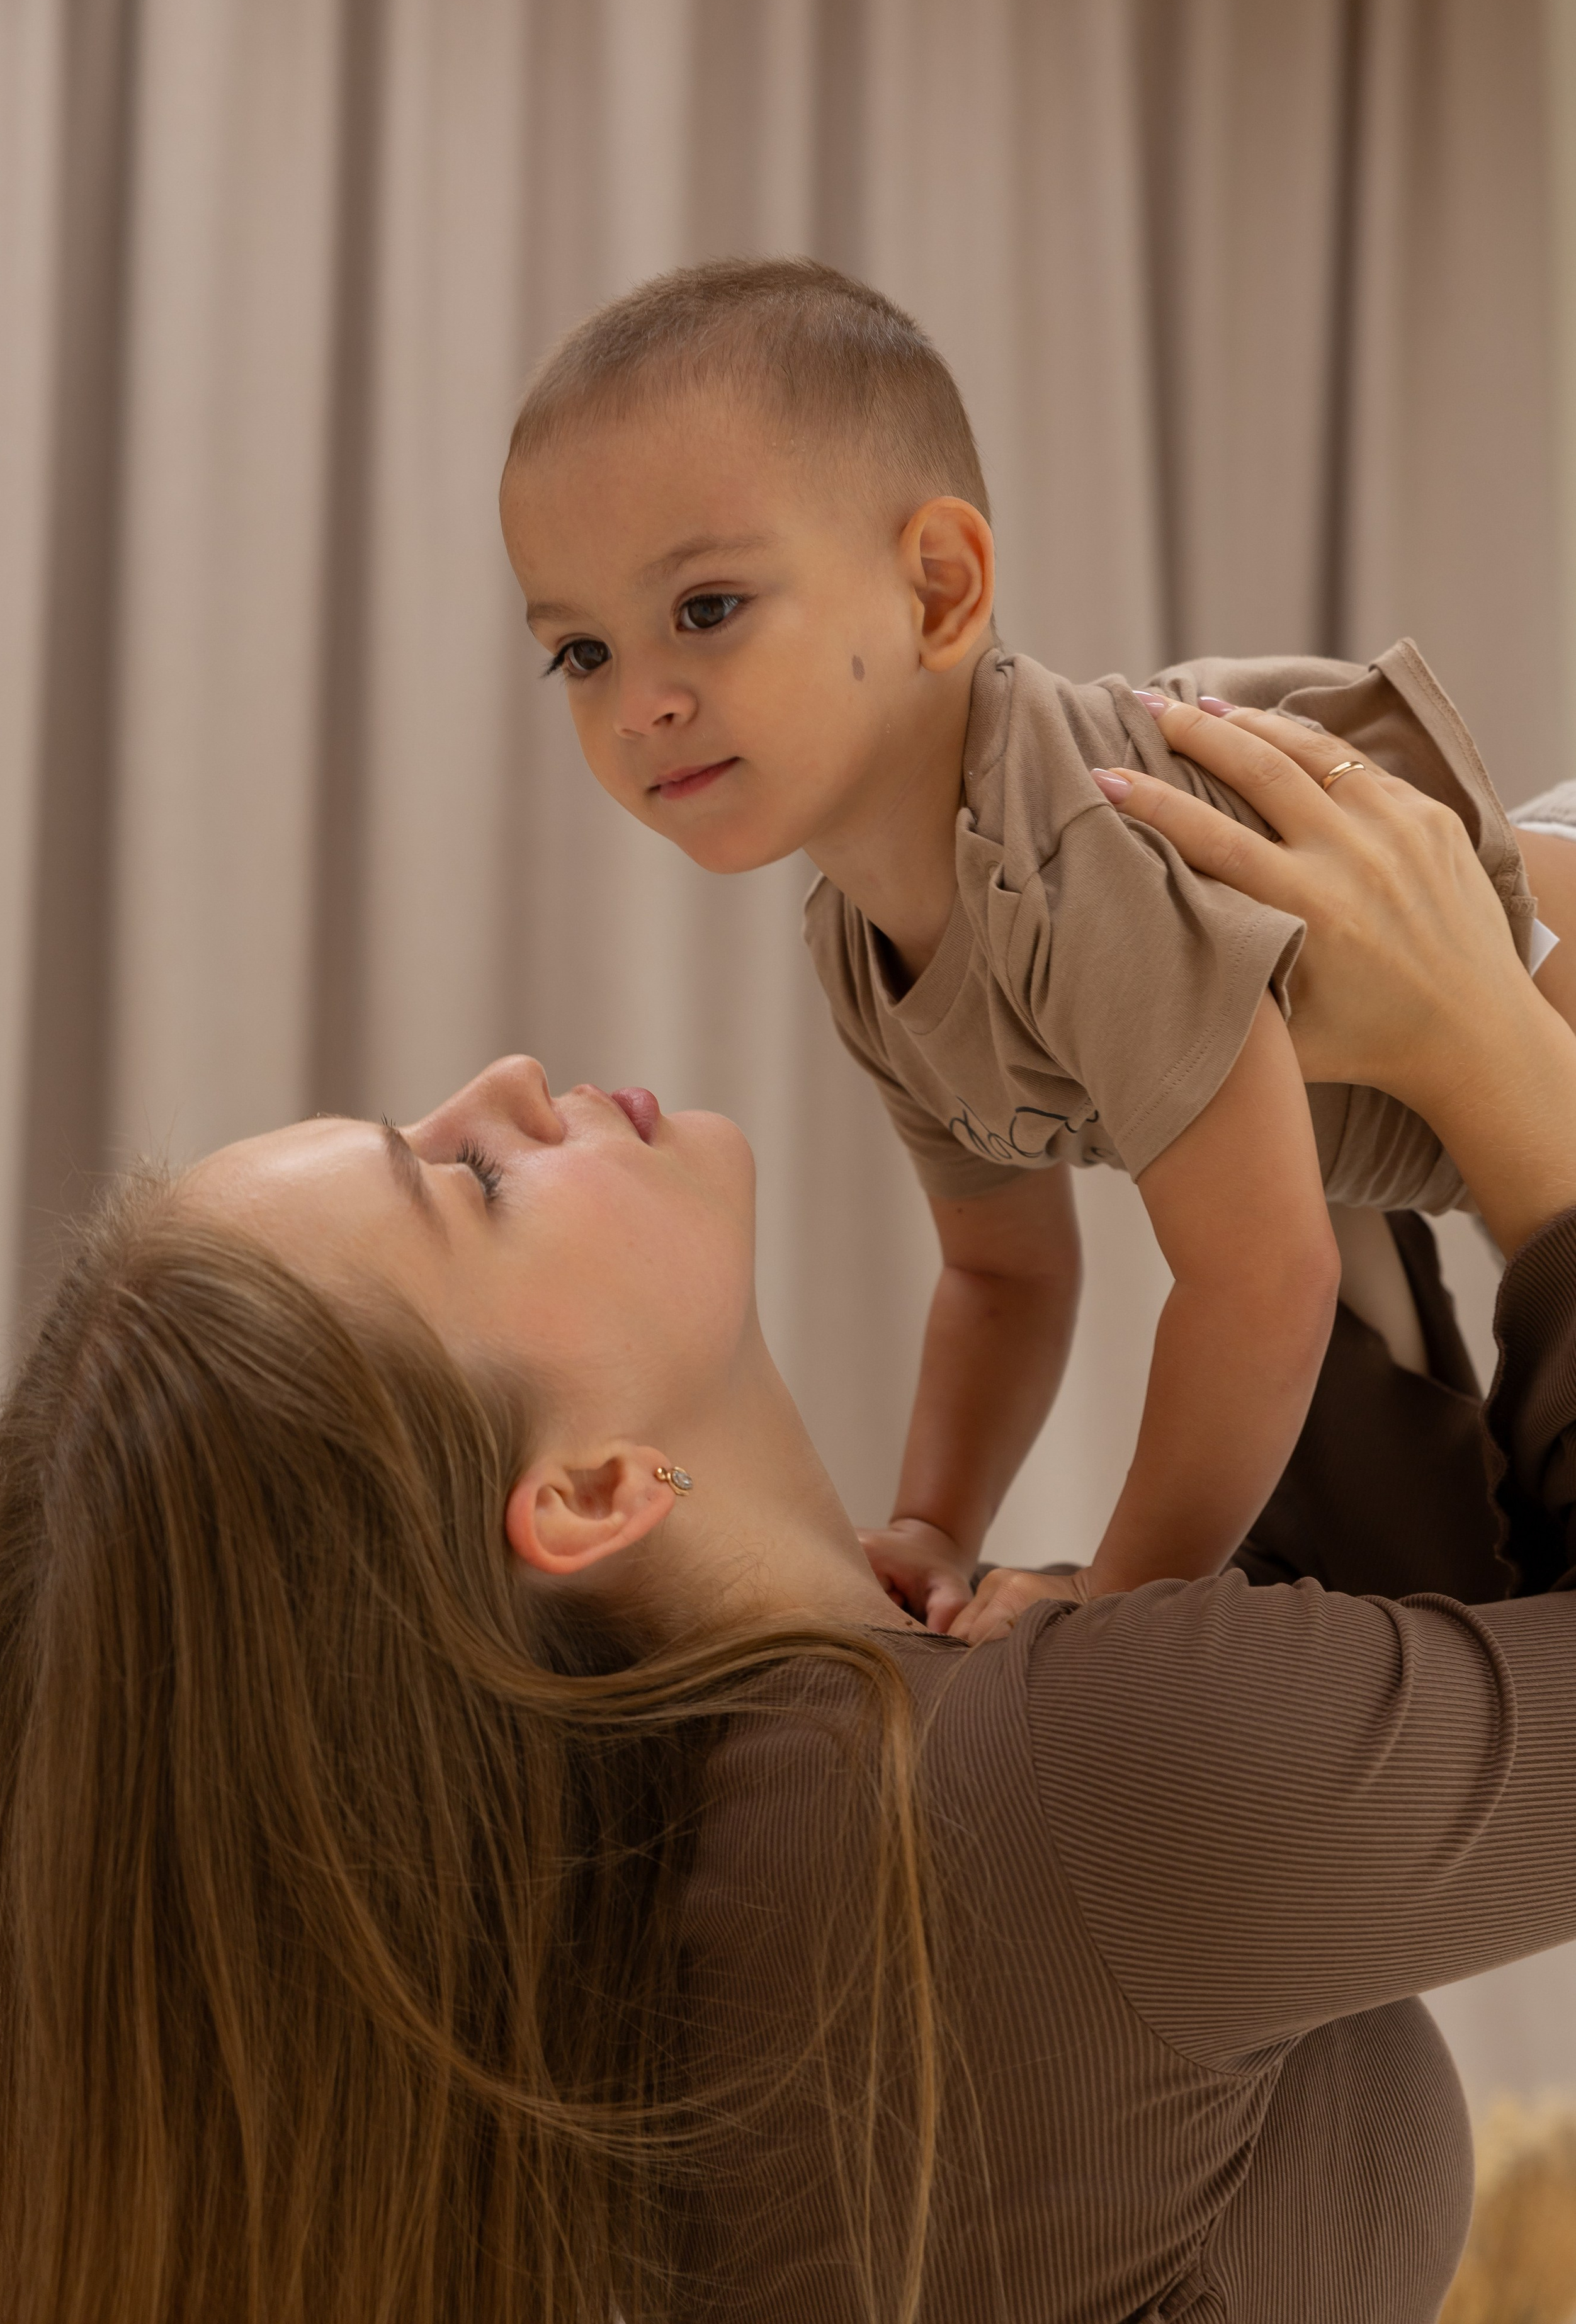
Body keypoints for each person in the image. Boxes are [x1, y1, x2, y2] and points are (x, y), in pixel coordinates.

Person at [0, 710, 1576, 2324]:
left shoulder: (695, 1892)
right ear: (586, 1494)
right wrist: (1484, 1059)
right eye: (463, 1181)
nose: (509, 1085)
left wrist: (1298, 1049)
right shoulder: (1006, 1802)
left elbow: (1379, 1655)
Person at [499, 254, 1576, 1628]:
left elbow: (1262, 1281)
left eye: (703, 611)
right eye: (579, 652)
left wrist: (1121, 1599)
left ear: (938, 591)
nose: (638, 700)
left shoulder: (1077, 860)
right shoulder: (860, 941)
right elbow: (1003, 1272)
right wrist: (936, 1523)